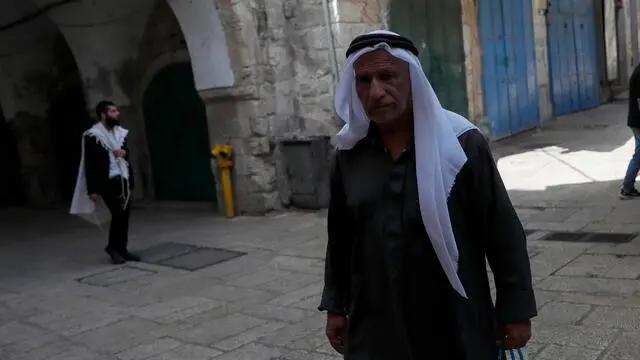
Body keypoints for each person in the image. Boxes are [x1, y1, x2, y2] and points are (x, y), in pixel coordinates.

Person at [319, 30, 537, 359]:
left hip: (452, 317)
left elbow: (500, 229)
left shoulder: (461, 143)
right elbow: (340, 238)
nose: (376, 91)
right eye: (364, 80)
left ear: (413, 79)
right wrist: (336, 306)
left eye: (388, 76)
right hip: (376, 322)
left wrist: (515, 309)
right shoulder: (348, 155)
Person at [70, 100, 139, 264]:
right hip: (106, 182)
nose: (117, 114)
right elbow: (90, 162)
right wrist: (92, 189)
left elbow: (125, 154)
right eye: (113, 111)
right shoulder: (92, 135)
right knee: (117, 214)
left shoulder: (119, 133)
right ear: (103, 114)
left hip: (122, 179)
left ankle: (122, 249)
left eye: (117, 111)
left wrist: (123, 153)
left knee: (124, 216)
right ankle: (113, 248)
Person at [622, 63, 640, 199]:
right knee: (639, 154)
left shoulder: (637, 71)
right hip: (638, 121)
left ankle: (628, 186)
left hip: (635, 120)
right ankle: (627, 187)